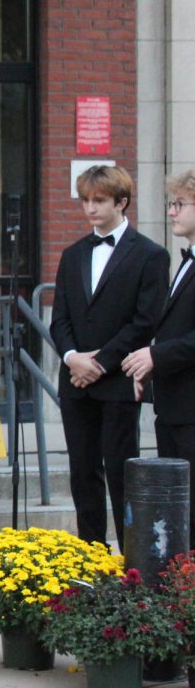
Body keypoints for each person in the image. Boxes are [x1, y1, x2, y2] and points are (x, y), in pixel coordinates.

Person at [51, 165, 168, 549]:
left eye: (98, 200)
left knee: (121, 473)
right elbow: (60, 318)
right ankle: (90, 553)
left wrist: (98, 363)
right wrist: (71, 358)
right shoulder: (72, 254)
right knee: (82, 472)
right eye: (85, 200)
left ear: (121, 201)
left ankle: (131, 558)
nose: (90, 208)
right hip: (75, 383)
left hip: (117, 380)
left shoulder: (150, 255)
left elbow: (144, 321)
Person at [124, 170, 195, 545]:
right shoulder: (185, 261)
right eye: (170, 203)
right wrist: (150, 367)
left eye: (180, 204)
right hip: (174, 405)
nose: (171, 212)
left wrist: (155, 355)